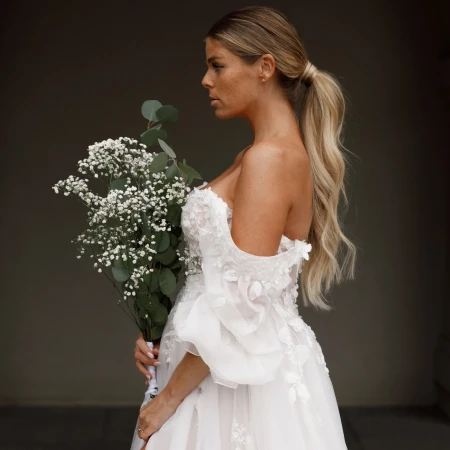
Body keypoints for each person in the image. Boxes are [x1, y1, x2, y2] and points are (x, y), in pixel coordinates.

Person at [130, 5, 356, 450]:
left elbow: (240, 304)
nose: (205, 81)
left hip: (237, 386)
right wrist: (156, 331)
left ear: (264, 68)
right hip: (206, 365)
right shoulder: (255, 157)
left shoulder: (268, 161)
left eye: (218, 66)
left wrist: (168, 399)